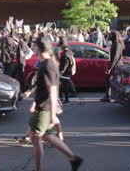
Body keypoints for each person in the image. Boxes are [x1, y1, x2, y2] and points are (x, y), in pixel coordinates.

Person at [29, 38, 83, 171]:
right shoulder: (45, 63)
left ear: (39, 48)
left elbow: (52, 90)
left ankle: (39, 169)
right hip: (42, 106)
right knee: (46, 136)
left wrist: (53, 115)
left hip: (44, 108)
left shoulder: (47, 65)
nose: (32, 49)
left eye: (34, 46)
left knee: (36, 138)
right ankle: (73, 159)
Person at [101, 31, 124, 102]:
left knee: (114, 81)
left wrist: (110, 68)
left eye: (111, 35)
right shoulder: (115, 43)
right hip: (114, 65)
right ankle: (108, 96)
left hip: (116, 66)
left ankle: (115, 97)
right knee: (110, 80)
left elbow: (115, 58)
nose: (110, 36)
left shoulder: (117, 44)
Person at [58, 37, 76, 104]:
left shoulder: (65, 54)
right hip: (67, 72)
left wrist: (61, 72)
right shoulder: (69, 52)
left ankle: (65, 99)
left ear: (62, 46)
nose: (60, 47)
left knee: (64, 86)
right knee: (64, 85)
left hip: (64, 72)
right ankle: (64, 99)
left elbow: (65, 64)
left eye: (60, 46)